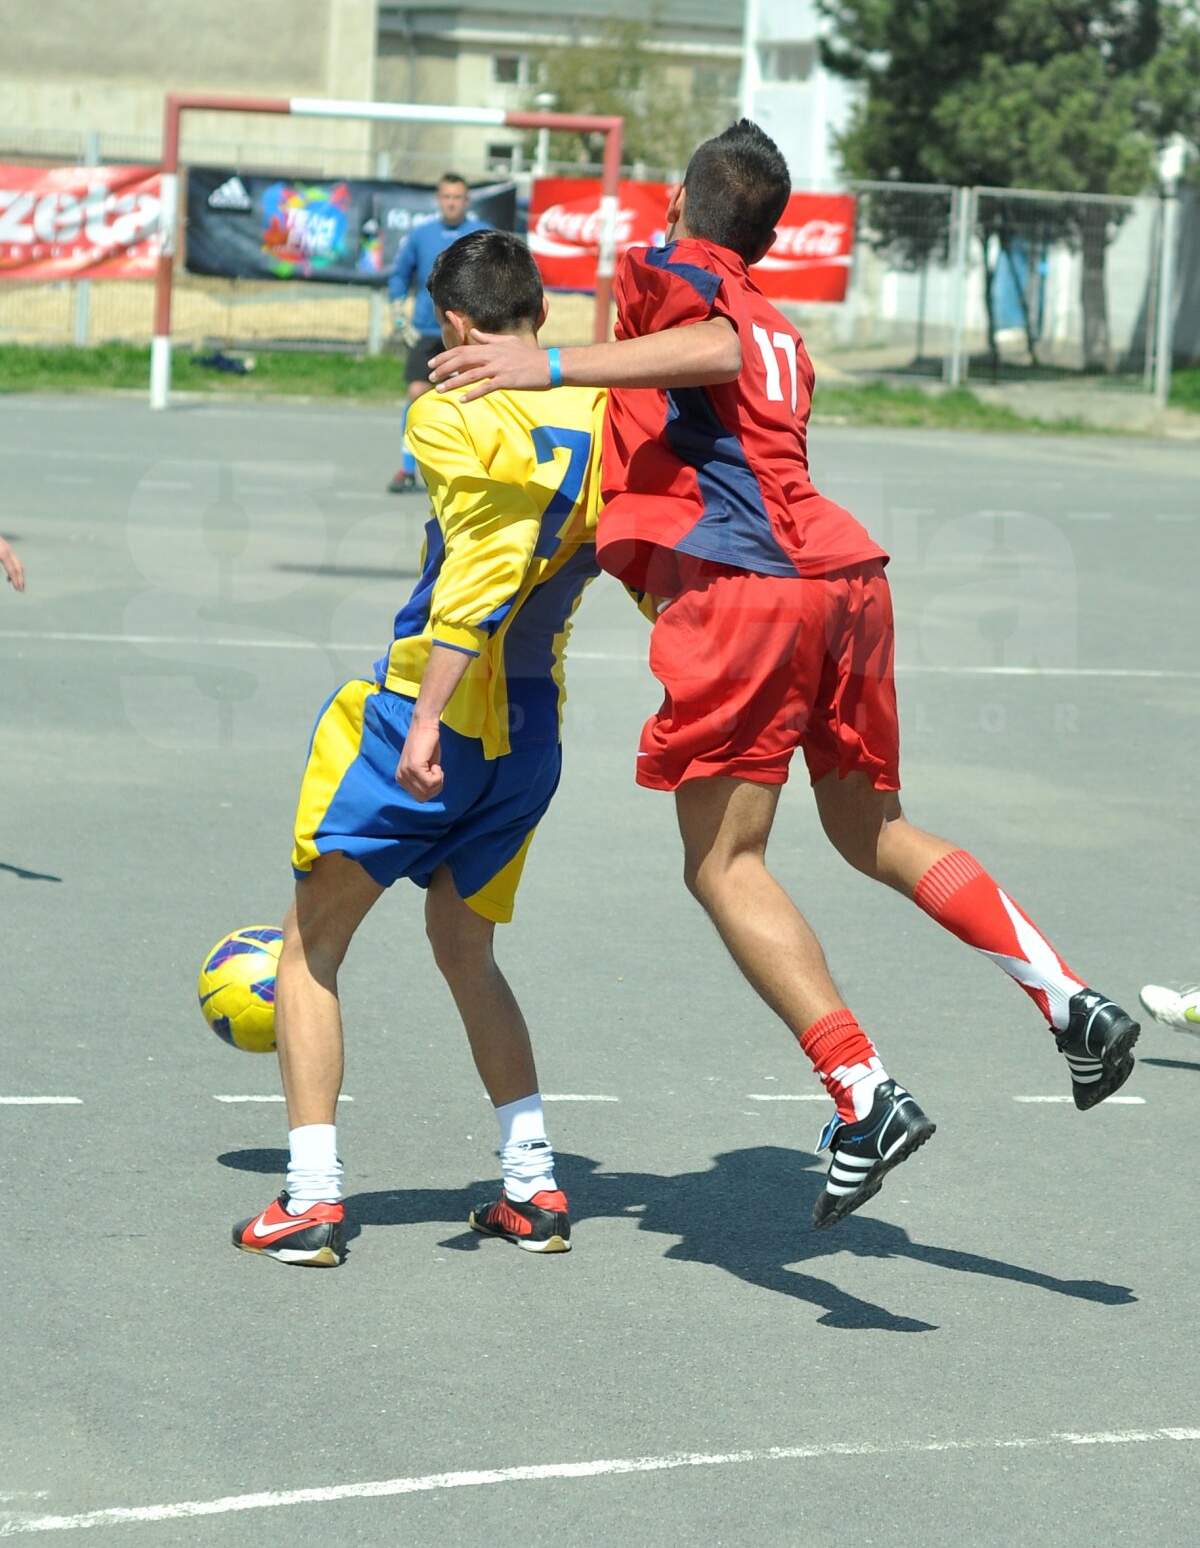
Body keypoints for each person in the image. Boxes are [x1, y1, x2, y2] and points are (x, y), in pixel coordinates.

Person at [429, 119, 1140, 1232]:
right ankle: (1070, 1002)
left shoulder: (679, 273)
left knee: (723, 862)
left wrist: (546, 363)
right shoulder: (783, 327)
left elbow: (706, 347)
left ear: (680, 203)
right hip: (844, 579)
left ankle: (863, 1092)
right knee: (872, 830)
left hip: (753, 589)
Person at [233, 230, 605, 1266]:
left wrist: (432, 711)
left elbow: (486, 556)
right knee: (465, 947)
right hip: (533, 730)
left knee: (309, 950)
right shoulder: (602, 407)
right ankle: (531, 1184)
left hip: (430, 714)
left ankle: (311, 1199)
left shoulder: (448, 407)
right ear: (541, 311)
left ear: (452, 325)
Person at [385, 174, 491, 493]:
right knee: (417, 393)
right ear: (438, 199)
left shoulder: (481, 234)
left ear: (466, 200)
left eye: (457, 197)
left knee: (472, 395)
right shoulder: (422, 235)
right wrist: (398, 314)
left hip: (468, 331)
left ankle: (473, 469)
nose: (451, 203)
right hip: (428, 330)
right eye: (446, 197)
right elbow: (399, 275)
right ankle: (407, 468)